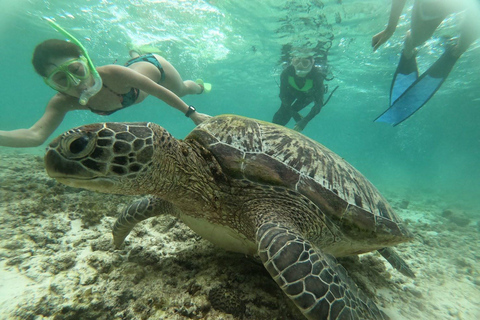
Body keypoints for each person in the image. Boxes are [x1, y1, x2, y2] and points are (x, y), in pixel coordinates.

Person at [0, 39, 212, 148]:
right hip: (132, 71)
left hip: (155, 67)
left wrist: (192, 114)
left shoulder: (113, 74)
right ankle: (134, 51)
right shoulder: (62, 102)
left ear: (86, 63)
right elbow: (35, 135)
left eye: (76, 70)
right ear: (51, 84)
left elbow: (158, 91)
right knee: (132, 64)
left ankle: (200, 85)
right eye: (61, 79)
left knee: (183, 90)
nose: (75, 82)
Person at [372, 0, 480, 126]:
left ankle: (454, 51)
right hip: (435, 5)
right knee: (417, 40)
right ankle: (408, 48)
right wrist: (390, 29)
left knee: (461, 47)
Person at [272, 56, 326, 132]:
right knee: (283, 112)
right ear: (292, 62)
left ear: (312, 64)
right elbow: (282, 95)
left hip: (307, 97)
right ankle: (273, 133)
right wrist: (294, 114)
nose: (300, 66)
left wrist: (305, 121)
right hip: (291, 92)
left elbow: (319, 104)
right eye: (296, 61)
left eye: (305, 63)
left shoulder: (317, 77)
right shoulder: (286, 73)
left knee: (290, 111)